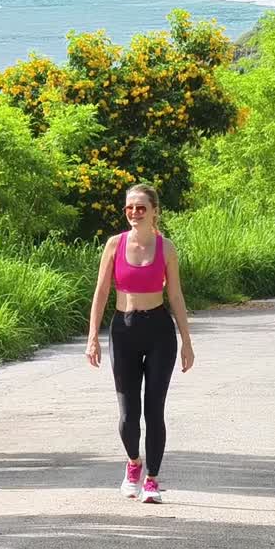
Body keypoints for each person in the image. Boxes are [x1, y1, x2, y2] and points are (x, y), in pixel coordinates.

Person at [86, 184, 195, 503]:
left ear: (154, 211)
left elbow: (175, 295)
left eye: (140, 207)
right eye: (129, 208)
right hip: (124, 330)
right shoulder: (114, 245)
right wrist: (93, 335)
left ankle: (152, 480)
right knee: (128, 413)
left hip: (159, 330)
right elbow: (101, 292)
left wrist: (186, 340)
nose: (134, 212)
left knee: (154, 409)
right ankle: (133, 462)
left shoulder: (167, 248)